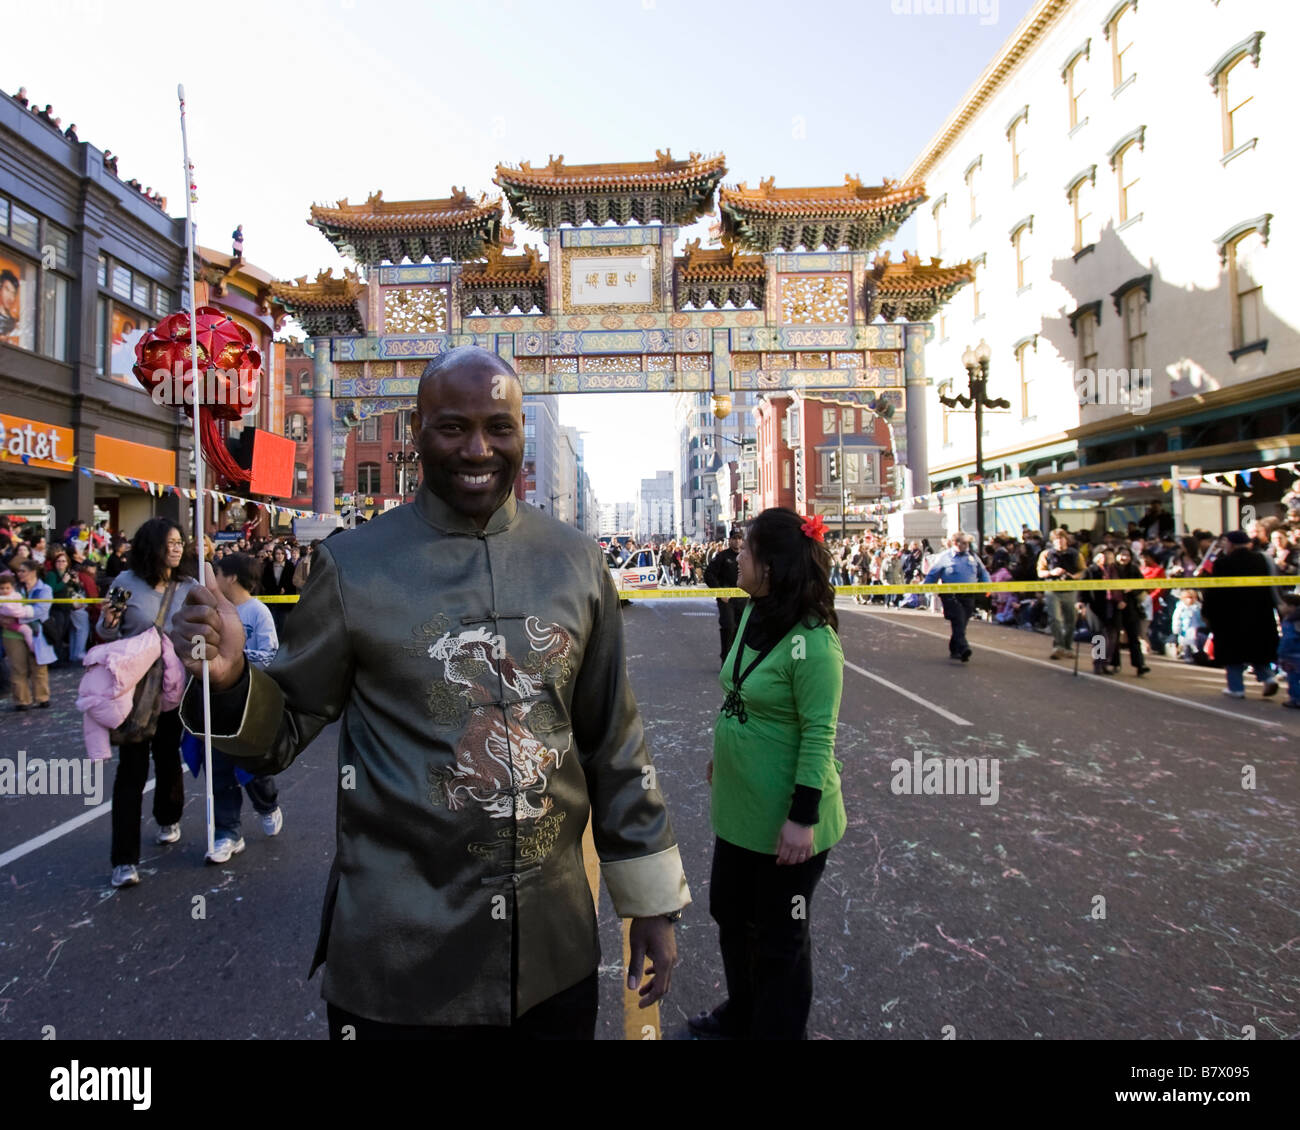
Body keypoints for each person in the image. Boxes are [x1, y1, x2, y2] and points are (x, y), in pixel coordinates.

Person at [173, 345, 688, 1038]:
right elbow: (286, 725)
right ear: (417, 433)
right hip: (398, 964)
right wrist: (234, 680)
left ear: (521, 437)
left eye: (498, 428)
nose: (478, 448)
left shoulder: (576, 561)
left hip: (550, 958)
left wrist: (649, 903)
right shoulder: (352, 567)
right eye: (453, 427)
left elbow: (613, 743)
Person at [692, 508, 845, 1041]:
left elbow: (818, 736)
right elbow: (742, 695)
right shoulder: (753, 614)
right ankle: (742, 1013)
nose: (738, 556)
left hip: (787, 821)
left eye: (747, 550)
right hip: (740, 809)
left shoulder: (815, 643)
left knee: (780, 939)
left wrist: (802, 819)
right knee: (731, 916)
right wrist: (726, 755)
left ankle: (777, 1032)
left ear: (772, 566)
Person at [97, 518, 199, 888]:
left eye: (180, 542)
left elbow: (200, 632)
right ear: (152, 545)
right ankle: (124, 860)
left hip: (174, 694)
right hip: (135, 695)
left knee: (170, 760)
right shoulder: (124, 584)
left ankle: (168, 816)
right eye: (170, 542)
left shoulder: (188, 587)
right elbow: (107, 631)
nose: (177, 548)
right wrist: (108, 623)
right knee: (131, 772)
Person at [206, 553, 283, 863]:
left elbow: (271, 654)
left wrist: (235, 660)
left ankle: (268, 804)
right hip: (217, 704)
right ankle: (227, 832)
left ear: (231, 578)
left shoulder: (258, 612)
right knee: (220, 769)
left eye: (218, 574)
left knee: (253, 766)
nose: (215, 580)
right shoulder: (212, 611)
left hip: (249, 704)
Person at [1202, 530, 1280, 699]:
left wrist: (1207, 612)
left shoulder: (1223, 563)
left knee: (1233, 654)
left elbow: (1214, 591)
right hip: (1260, 613)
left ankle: (1236, 687)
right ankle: (1268, 678)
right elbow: (1274, 587)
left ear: (1230, 543)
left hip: (1230, 616)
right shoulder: (1262, 560)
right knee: (1258, 650)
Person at [922, 530, 990, 663]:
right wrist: (927, 590)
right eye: (963, 543)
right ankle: (964, 648)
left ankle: (954, 648)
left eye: (967, 543)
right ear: (955, 543)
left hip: (969, 595)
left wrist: (988, 586)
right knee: (958, 618)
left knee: (962, 622)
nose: (966, 546)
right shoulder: (944, 557)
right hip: (951, 596)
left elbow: (983, 572)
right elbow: (932, 574)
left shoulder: (973, 556)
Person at [7, 558, 55, 708]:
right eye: (18, 571)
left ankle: (42, 697)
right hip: (12, 632)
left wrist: (18, 616)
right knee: (17, 667)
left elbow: (41, 611)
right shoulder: (14, 589)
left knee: (39, 665)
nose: (19, 574)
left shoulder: (45, 589)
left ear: (33, 572)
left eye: (23, 571)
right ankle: (22, 700)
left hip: (37, 631)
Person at [1039, 528, 1085, 659]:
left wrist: (1073, 576)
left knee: (1071, 620)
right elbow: (1040, 572)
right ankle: (1058, 645)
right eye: (1056, 539)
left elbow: (1083, 571)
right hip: (1052, 589)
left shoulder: (1075, 554)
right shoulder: (1046, 554)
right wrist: (1052, 573)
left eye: (1061, 538)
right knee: (1055, 619)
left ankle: (1068, 646)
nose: (1059, 541)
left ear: (1066, 540)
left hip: (1070, 590)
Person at [704, 528, 749, 663]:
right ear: (730, 540)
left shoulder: (747, 556)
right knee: (728, 626)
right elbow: (709, 575)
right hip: (726, 599)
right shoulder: (722, 556)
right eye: (734, 538)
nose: (737, 541)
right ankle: (726, 658)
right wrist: (719, 591)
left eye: (739, 538)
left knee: (741, 630)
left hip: (743, 599)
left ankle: (737, 660)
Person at [259, 543, 296, 635]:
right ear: (274, 554)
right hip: (272, 599)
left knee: (283, 624)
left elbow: (292, 581)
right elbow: (265, 581)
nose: (279, 556)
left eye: (281, 554)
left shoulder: (289, 565)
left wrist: (285, 589)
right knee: (272, 623)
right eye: (277, 554)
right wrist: (277, 589)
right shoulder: (269, 566)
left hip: (286, 600)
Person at [1277, 593, 1300, 709]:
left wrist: (1281, 653)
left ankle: (1296, 699)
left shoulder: (1289, 621)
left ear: (1292, 607)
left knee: (1293, 678)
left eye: (1283, 604)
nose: (1281, 607)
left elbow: (1288, 639)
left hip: (1293, 655)